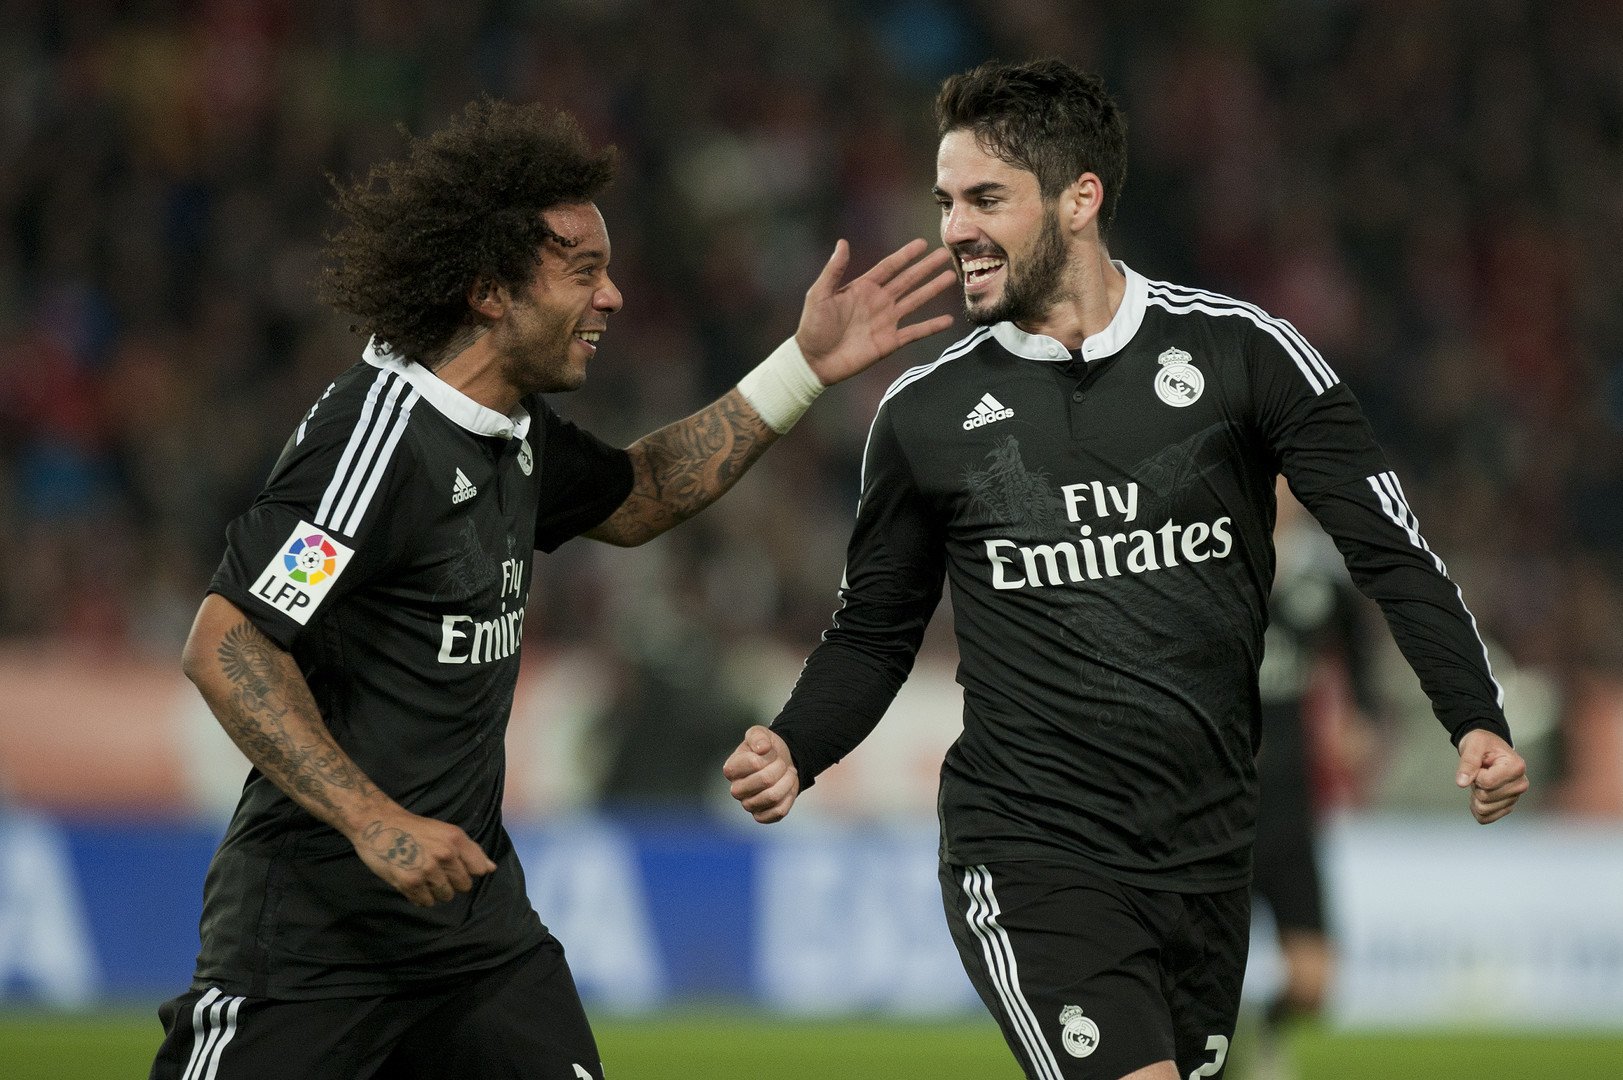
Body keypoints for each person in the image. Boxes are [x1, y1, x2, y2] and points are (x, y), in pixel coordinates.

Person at [723, 58, 1528, 1080]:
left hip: (1208, 858)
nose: (954, 229)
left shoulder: (1243, 355)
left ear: (1080, 199)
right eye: (944, 201)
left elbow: (1389, 548)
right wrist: (798, 743)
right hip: (1032, 851)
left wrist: (1472, 714)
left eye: (985, 200)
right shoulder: (925, 415)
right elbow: (875, 631)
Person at [149, 98, 954, 1080]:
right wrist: (375, 822)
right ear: (490, 292)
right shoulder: (378, 446)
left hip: (472, 929)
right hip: (315, 941)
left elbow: (642, 493)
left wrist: (804, 366)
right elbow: (227, 640)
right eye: (583, 271)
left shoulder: (512, 429)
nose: (612, 296)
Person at [1244, 479, 1380, 1080]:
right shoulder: (1205, 561)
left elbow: (1360, 654)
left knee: (1314, 983)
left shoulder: (1321, 582)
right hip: (1216, 808)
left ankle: (1261, 1036)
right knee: (1199, 974)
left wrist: (1361, 714)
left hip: (1292, 808)